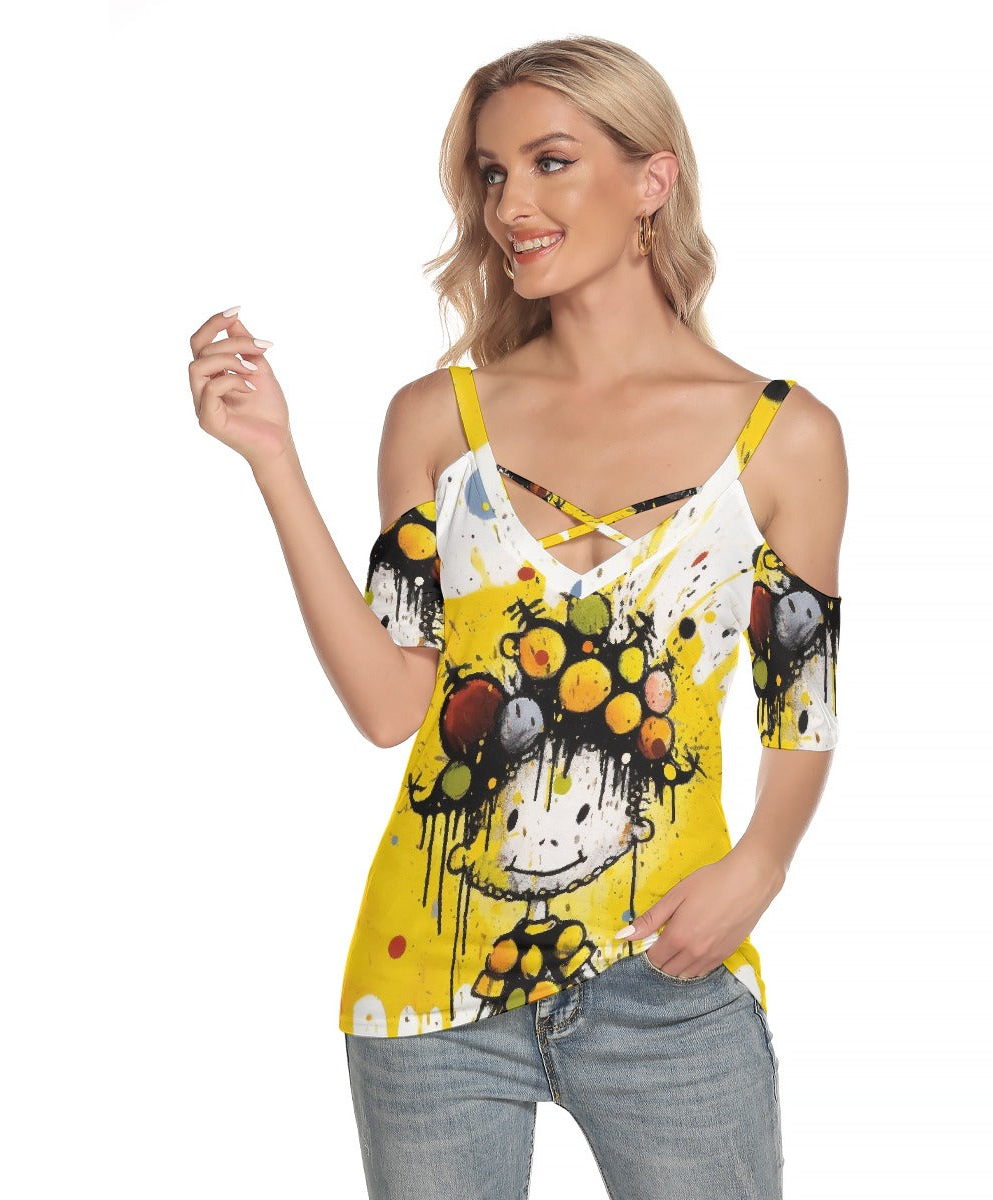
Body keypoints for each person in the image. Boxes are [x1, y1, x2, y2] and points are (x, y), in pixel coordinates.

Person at [188, 34, 846, 1200]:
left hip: (670, 977)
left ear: (652, 180)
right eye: (492, 174)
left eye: (550, 163)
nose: (510, 207)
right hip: (430, 981)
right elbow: (391, 707)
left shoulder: (784, 437)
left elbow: (802, 703)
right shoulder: (437, 421)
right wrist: (274, 462)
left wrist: (764, 863)